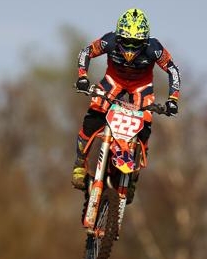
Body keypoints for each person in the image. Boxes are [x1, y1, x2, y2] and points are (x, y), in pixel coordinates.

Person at [71, 8, 181, 196]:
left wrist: (173, 100)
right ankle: (80, 165)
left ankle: (132, 179)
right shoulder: (109, 40)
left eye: (135, 43)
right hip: (113, 81)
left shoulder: (155, 48)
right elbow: (86, 52)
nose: (130, 48)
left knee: (144, 127)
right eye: (126, 41)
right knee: (93, 117)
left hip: (141, 87)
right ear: (118, 36)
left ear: (145, 41)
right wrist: (82, 77)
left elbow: (173, 70)